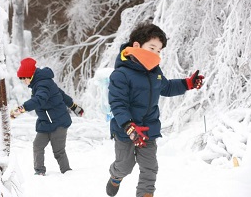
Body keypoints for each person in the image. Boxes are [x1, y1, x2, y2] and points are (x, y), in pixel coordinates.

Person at [106, 22, 204, 197]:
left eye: (159, 50)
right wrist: (129, 126)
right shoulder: (121, 74)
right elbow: (118, 104)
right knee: (125, 166)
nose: (156, 53)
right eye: (152, 47)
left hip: (149, 130)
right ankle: (115, 176)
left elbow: (166, 87)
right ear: (137, 46)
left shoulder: (154, 72)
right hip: (125, 131)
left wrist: (187, 83)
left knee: (150, 168)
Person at [10, 57, 84, 176]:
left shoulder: (43, 84)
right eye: (21, 78)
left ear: (30, 76)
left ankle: (68, 174)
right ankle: (39, 172)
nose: (23, 81)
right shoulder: (41, 83)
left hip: (58, 122)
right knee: (37, 145)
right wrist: (74, 107)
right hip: (46, 123)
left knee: (58, 151)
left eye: (24, 78)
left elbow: (39, 100)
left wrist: (21, 109)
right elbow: (61, 95)